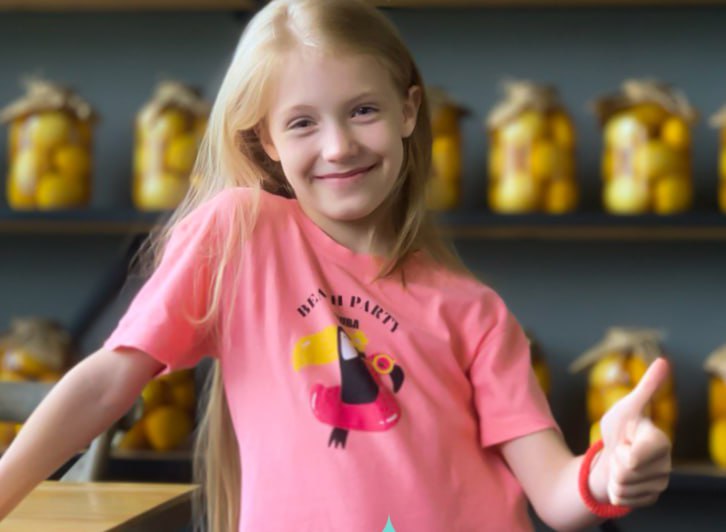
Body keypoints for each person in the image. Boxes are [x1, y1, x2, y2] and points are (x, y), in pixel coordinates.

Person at [0, 1, 671, 530]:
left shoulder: (476, 312)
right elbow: (106, 383)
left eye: (363, 110)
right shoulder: (240, 234)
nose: (339, 145)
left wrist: (609, 472)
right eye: (302, 123)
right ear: (264, 139)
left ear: (408, 110)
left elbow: (555, 493)